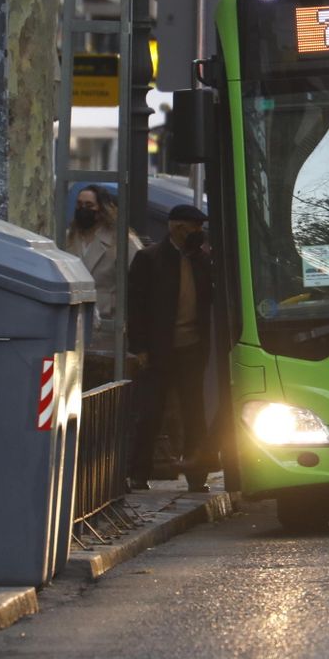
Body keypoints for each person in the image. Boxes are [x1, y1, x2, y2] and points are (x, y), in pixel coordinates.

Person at [127, 204, 214, 492]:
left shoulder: (202, 260)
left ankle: (197, 476)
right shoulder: (149, 259)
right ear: (178, 228)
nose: (199, 233)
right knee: (150, 413)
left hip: (192, 348)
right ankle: (138, 473)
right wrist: (140, 347)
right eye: (194, 228)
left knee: (194, 413)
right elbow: (136, 306)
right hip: (158, 351)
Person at [66, 185, 141, 328]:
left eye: (89, 205)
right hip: (73, 319)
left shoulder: (122, 241)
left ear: (102, 209)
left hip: (108, 321)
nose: (83, 209)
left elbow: (139, 279)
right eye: (79, 204)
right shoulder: (68, 238)